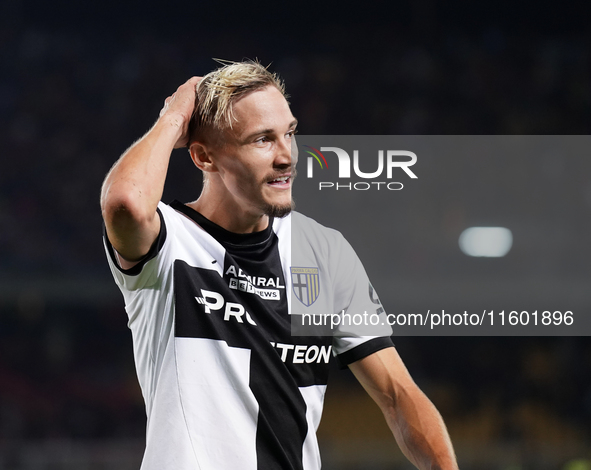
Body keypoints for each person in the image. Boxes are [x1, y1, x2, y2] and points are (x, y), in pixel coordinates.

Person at [100, 60, 458, 470]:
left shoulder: (323, 251)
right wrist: (174, 117)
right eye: (262, 140)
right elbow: (125, 202)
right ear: (203, 157)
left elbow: (398, 394)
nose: (287, 156)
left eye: (289, 133)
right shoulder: (170, 245)